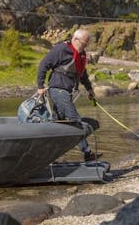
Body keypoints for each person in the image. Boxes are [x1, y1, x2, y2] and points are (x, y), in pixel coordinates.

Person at [37, 28, 102, 162]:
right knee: (74, 120)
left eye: (86, 45)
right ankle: (88, 154)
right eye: (83, 44)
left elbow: (82, 74)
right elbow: (44, 65)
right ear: (75, 39)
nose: (84, 47)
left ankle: (52, 157)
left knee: (58, 124)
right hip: (57, 90)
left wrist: (89, 89)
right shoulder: (61, 49)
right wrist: (40, 86)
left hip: (68, 92)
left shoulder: (82, 54)